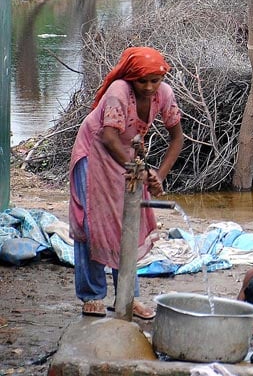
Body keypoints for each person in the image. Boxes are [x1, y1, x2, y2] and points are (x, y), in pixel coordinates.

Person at [69, 46, 184, 319]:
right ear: (131, 78)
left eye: (154, 81)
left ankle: (127, 297)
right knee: (92, 223)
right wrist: (142, 172)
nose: (148, 87)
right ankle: (92, 295)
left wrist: (159, 176)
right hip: (95, 151)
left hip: (125, 155)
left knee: (128, 222)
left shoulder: (164, 94)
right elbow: (108, 137)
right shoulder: (119, 91)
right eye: (142, 81)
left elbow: (177, 138)